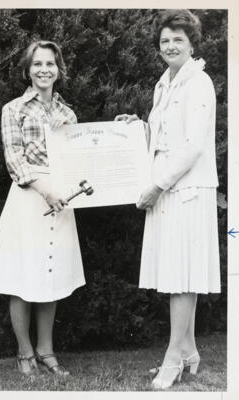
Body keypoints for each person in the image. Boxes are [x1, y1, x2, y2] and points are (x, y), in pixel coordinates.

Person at [115, 9, 221, 389]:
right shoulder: (164, 84)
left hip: (187, 190)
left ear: (192, 43)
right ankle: (189, 350)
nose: (170, 46)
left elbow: (192, 146)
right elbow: (164, 138)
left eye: (178, 39)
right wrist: (138, 128)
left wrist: (157, 185)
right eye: (164, 41)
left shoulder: (199, 83)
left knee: (182, 275)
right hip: (167, 186)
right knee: (176, 272)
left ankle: (174, 357)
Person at [0, 40, 85, 377]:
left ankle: (46, 349)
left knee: (51, 273)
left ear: (59, 70)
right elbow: (14, 159)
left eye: (51, 64)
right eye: (38, 64)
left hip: (61, 199)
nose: (45, 69)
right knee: (24, 275)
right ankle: (24, 351)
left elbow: (77, 161)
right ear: (27, 70)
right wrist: (44, 189)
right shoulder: (13, 109)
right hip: (30, 197)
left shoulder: (67, 114)